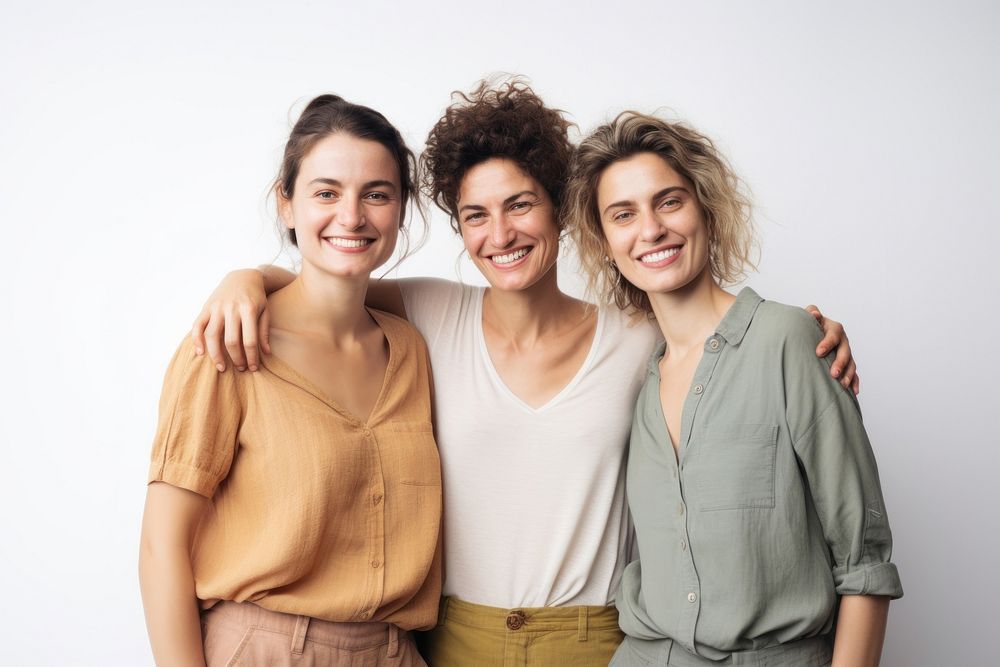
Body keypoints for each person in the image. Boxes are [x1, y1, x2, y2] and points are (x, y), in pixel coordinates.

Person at [189, 80, 858, 666]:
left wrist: (806, 333)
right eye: (476, 215)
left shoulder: (636, 336)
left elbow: (716, 334)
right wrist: (244, 278)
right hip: (451, 641)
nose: (500, 233)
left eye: (520, 204)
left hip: (600, 644)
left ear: (562, 210)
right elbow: (328, 280)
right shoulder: (429, 312)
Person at [567, 111, 903, 666]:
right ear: (604, 242)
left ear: (706, 209)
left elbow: (863, 562)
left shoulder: (791, 341)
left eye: (669, 201)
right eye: (622, 215)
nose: (650, 230)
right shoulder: (632, 371)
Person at [138, 94, 442, 666]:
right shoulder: (226, 345)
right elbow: (162, 546)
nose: (351, 217)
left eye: (376, 194)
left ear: (401, 209)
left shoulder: (411, 350)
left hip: (396, 651)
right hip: (266, 650)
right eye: (326, 192)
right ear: (287, 204)